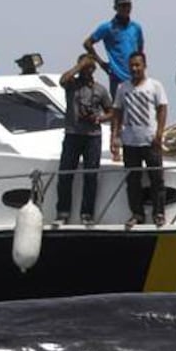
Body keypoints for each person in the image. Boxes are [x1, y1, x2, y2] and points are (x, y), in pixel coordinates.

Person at [110, 51, 168, 228]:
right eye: (132, 65)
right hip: (130, 142)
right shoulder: (122, 88)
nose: (135, 69)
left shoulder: (155, 85)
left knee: (156, 179)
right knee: (132, 181)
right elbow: (117, 112)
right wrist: (115, 136)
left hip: (150, 141)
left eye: (138, 65)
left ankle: (158, 213)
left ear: (144, 66)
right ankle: (137, 213)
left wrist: (159, 133)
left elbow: (162, 108)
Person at [55, 54, 112, 226]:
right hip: (72, 134)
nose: (87, 69)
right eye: (85, 66)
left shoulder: (100, 89)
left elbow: (111, 111)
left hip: (92, 137)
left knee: (90, 176)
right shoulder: (71, 85)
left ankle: (87, 213)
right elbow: (63, 80)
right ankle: (62, 212)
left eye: (89, 67)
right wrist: (79, 66)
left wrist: (99, 118)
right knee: (65, 174)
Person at [83, 0, 145, 98]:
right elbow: (87, 43)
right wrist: (102, 63)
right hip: (117, 75)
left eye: (128, 5)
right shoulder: (108, 27)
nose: (126, 8)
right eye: (122, 6)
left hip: (135, 75)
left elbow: (140, 49)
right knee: (118, 109)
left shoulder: (136, 27)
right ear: (116, 8)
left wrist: (141, 66)